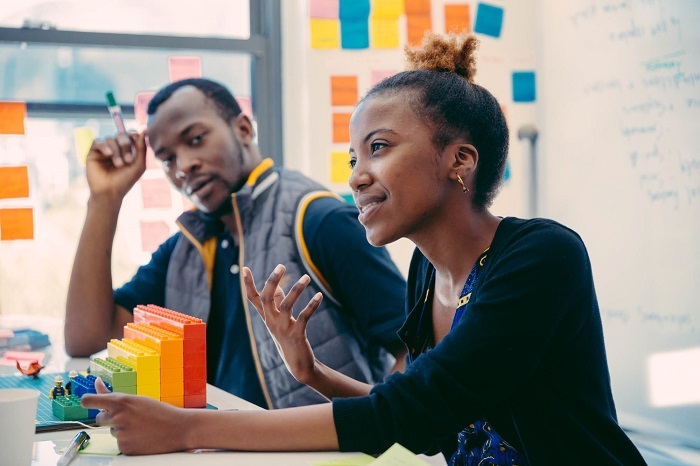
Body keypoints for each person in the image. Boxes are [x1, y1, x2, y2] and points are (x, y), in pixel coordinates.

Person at [81, 33, 646, 465]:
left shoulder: (543, 256)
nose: (356, 177)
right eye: (354, 159)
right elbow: (434, 423)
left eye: (379, 148)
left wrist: (187, 429)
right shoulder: (426, 271)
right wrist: (314, 372)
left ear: (460, 161)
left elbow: (411, 409)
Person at [65, 77, 407, 409]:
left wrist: (381, 429)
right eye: (167, 158)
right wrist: (104, 199)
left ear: (244, 129)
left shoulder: (317, 219)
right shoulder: (186, 246)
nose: (184, 165)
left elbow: (417, 347)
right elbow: (87, 337)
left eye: (196, 139)